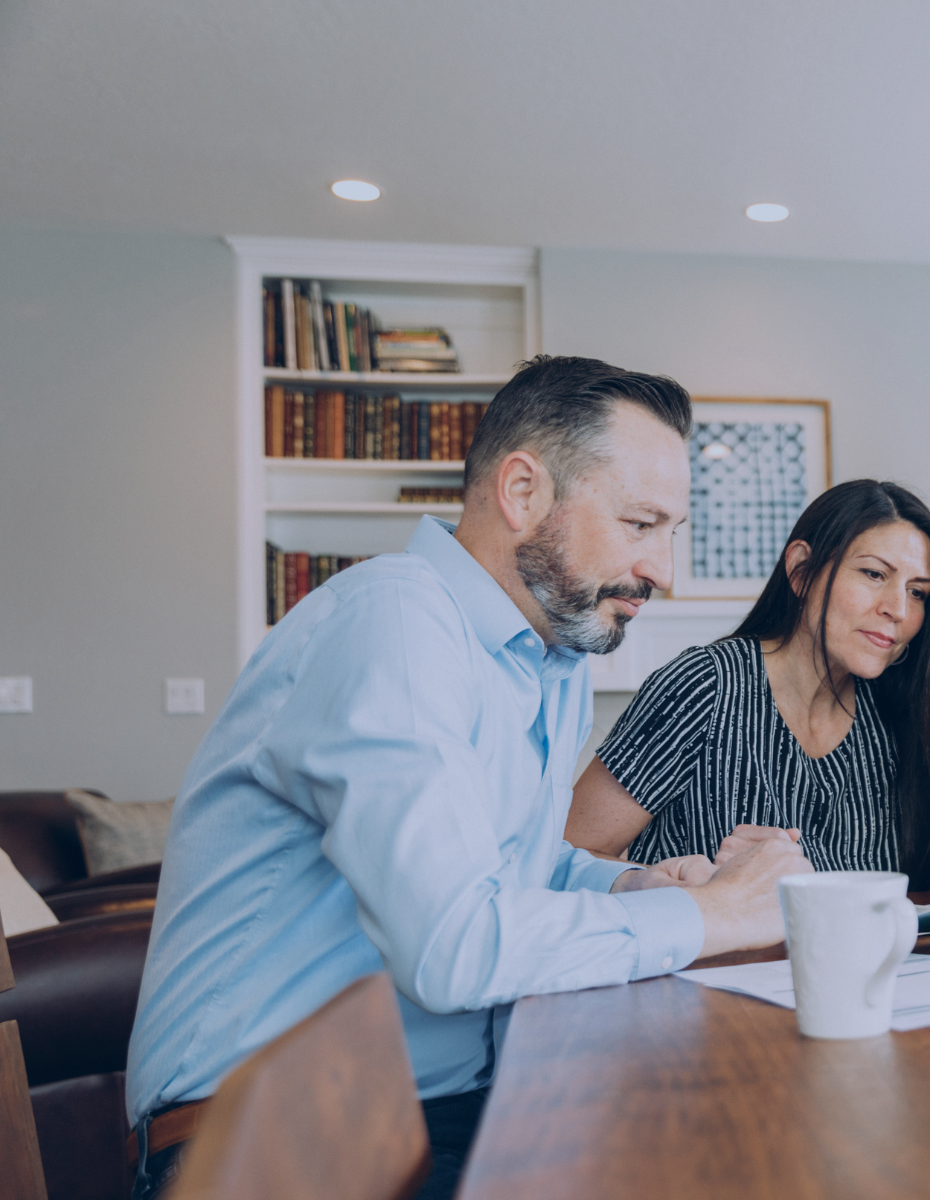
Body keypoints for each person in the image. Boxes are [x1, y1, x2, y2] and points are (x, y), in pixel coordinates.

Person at [125, 356, 812, 1200]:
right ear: (522, 492)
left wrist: (638, 882)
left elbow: (518, 862)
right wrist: (712, 913)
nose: (664, 570)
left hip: (436, 1110)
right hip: (268, 1147)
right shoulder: (395, 623)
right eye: (642, 523)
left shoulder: (545, 658)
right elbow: (454, 947)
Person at [565, 479, 930, 892]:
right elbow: (572, 854)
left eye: (917, 593)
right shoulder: (704, 685)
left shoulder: (911, 705)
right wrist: (689, 884)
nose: (899, 610)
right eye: (873, 574)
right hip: (707, 984)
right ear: (801, 571)